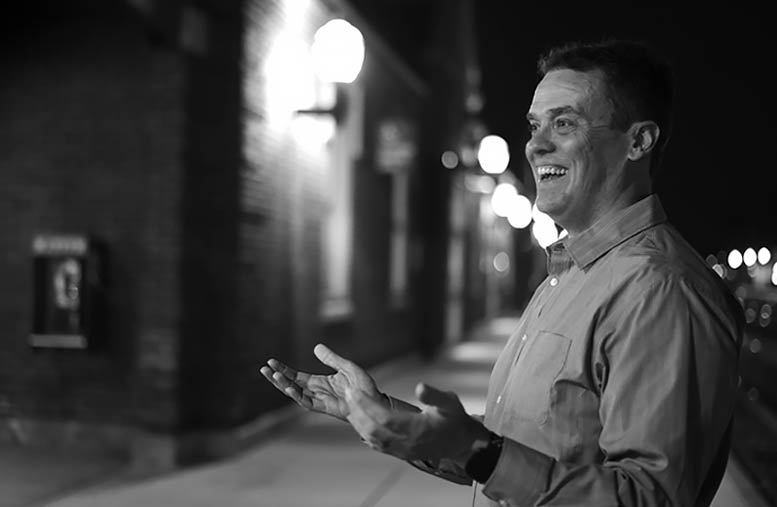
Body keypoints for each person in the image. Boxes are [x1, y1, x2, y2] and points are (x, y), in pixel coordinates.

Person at [261, 39, 743, 507]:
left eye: (565, 123)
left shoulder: (661, 291)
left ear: (638, 140)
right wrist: (383, 414)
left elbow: (646, 498)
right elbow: (519, 449)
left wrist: (481, 451)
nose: (536, 146)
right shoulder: (569, 275)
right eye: (534, 126)